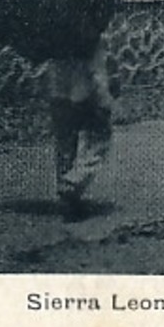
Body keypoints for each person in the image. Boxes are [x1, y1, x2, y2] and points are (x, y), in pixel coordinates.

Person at [49, 39, 115, 222]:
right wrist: (105, 97)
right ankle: (74, 181)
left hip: (59, 94)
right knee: (100, 137)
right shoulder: (88, 32)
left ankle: (67, 194)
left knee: (64, 144)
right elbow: (96, 71)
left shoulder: (54, 33)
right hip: (87, 93)